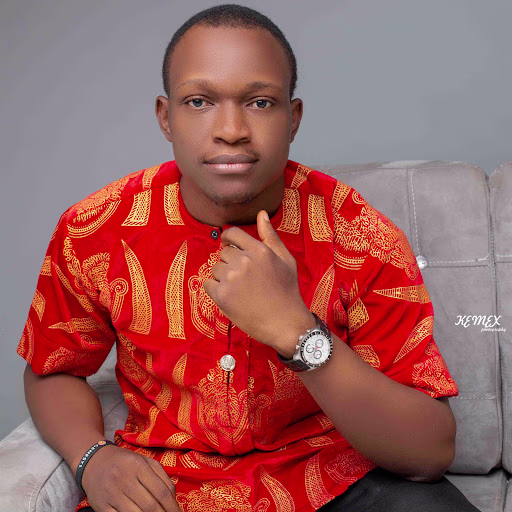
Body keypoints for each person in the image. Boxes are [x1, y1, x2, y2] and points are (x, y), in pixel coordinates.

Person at [18, 4, 481, 512]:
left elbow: (429, 451)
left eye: (260, 102)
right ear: (165, 117)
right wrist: (92, 457)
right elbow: (52, 369)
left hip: (337, 479)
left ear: (293, 118)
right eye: (199, 101)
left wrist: (296, 332)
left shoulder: (361, 235)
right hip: (169, 487)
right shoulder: (95, 229)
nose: (232, 129)